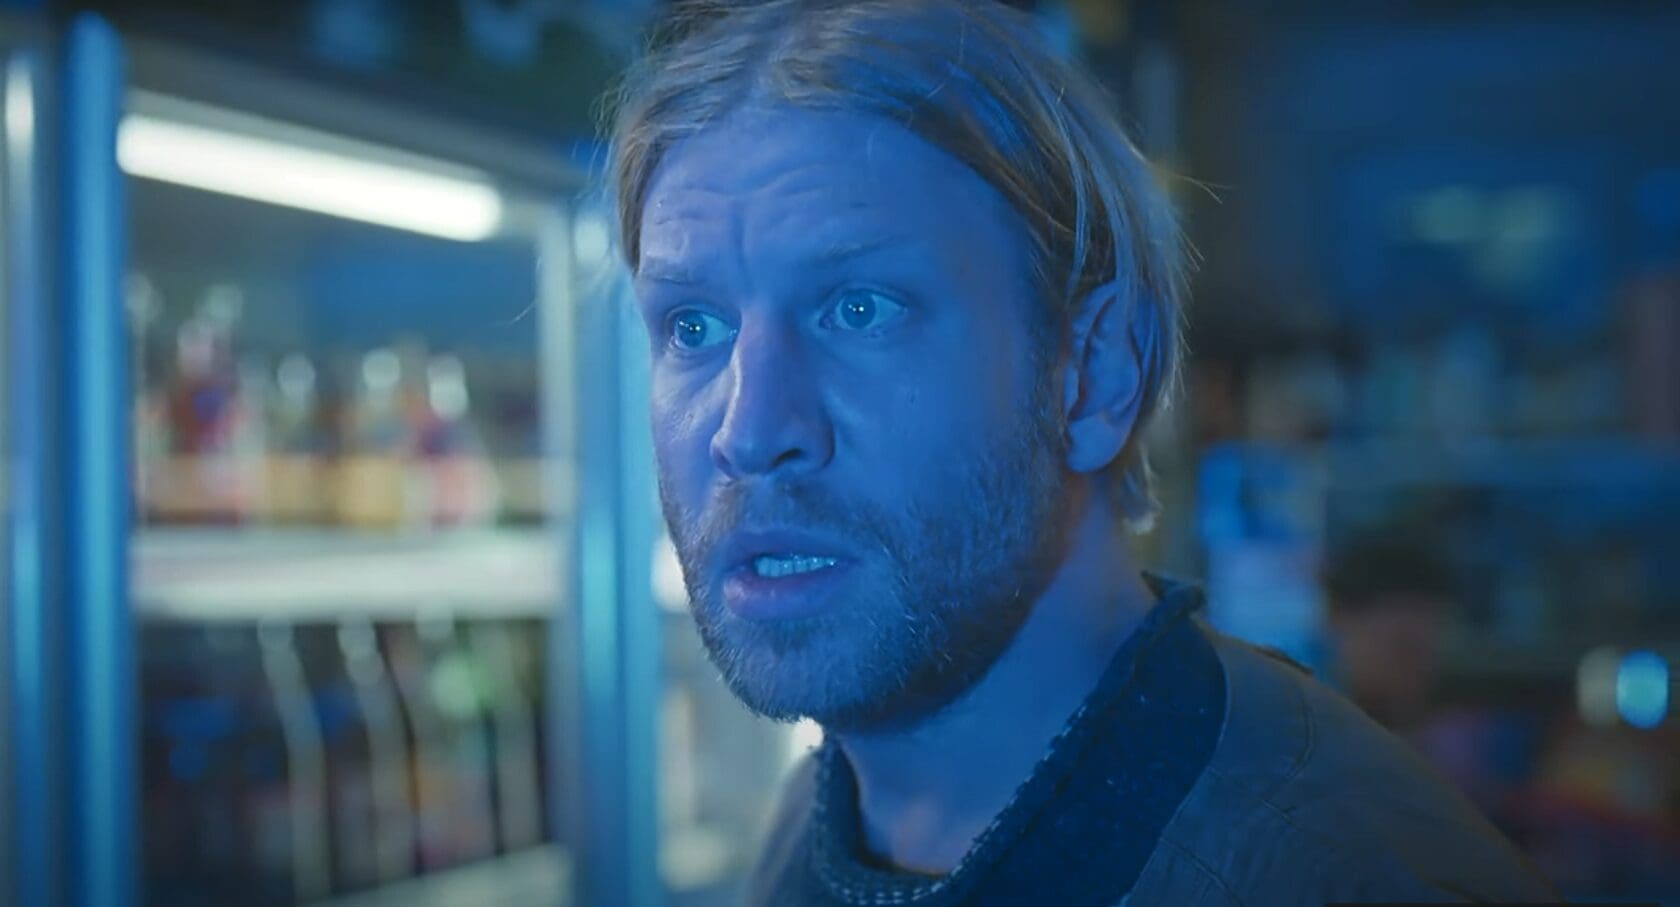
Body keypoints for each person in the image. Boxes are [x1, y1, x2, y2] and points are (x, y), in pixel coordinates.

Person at [606, 1, 1559, 903]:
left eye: (861, 309)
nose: (748, 429)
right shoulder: (816, 822)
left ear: (1095, 372)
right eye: (692, 327)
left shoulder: (1335, 872)